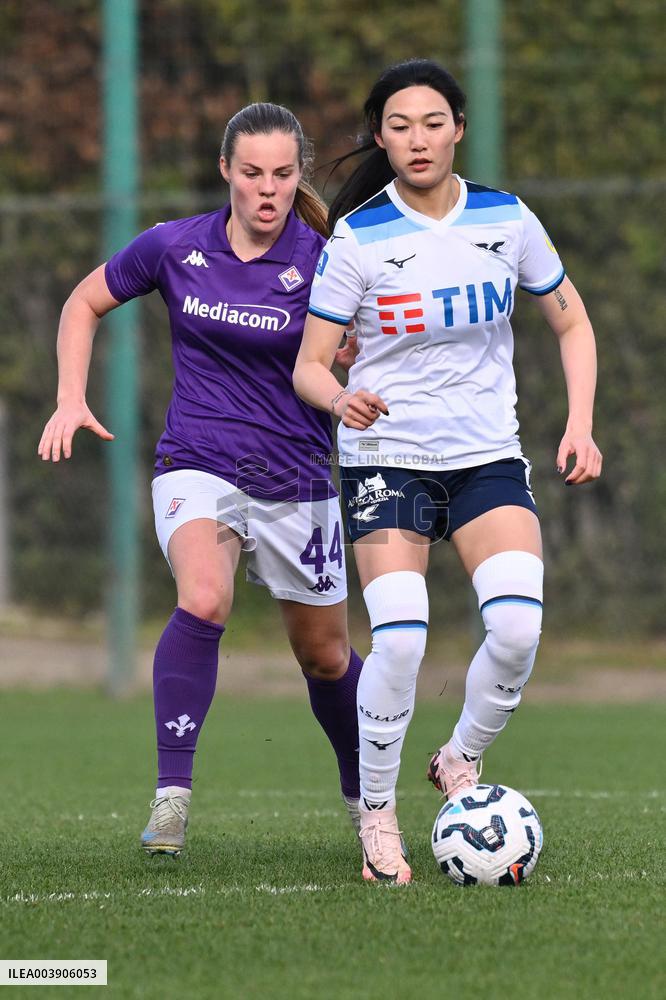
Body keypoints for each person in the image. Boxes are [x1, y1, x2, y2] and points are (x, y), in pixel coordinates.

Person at [293, 59, 602, 884]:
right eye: (399, 126)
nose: (417, 139)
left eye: (433, 122)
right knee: (398, 638)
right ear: (380, 138)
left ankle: (458, 757)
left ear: (458, 127)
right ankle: (378, 813)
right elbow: (310, 366)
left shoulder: (509, 220)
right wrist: (340, 400)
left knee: (517, 630)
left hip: (485, 461)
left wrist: (580, 423)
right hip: (388, 461)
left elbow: (572, 325)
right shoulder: (360, 240)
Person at [38, 102, 364, 857]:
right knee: (204, 597)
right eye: (251, 172)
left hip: (298, 473)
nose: (267, 188)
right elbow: (83, 303)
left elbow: (355, 355)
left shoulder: (326, 260)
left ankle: (365, 801)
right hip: (198, 460)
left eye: (283, 174)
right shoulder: (173, 247)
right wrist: (69, 396)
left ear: (298, 176)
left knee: (326, 658)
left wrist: (353, 364)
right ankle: (171, 799)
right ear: (225, 171)